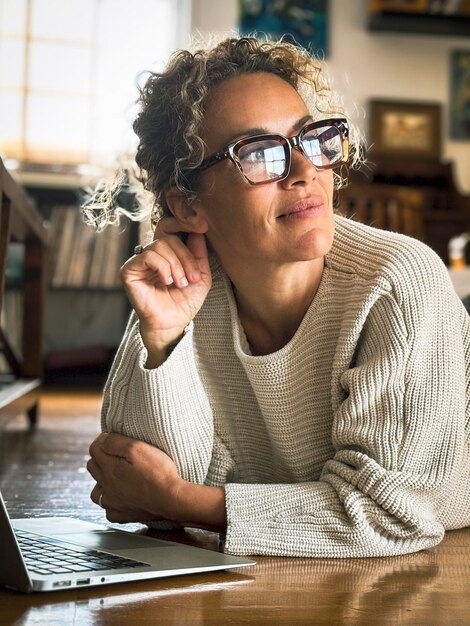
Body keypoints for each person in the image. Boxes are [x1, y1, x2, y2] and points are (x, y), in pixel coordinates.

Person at [86, 36, 470, 558]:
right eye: (261, 153)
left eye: (311, 138)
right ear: (189, 205)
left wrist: (185, 501)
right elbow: (131, 481)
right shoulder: (186, 289)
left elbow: (391, 515)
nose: (305, 171)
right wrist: (163, 338)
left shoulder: (398, 282)